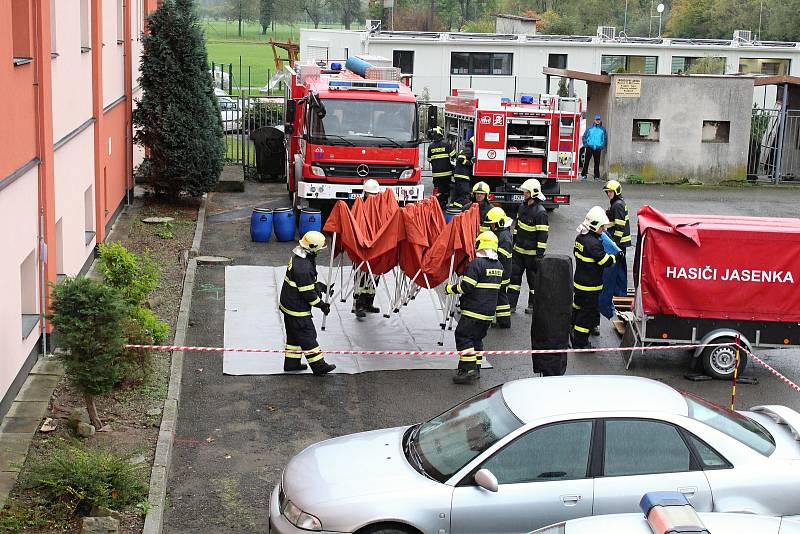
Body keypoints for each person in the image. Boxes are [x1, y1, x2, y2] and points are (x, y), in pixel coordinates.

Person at [446, 231, 503, 384]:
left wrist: (450, 288)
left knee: (463, 337)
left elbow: (467, 286)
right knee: (476, 340)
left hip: (473, 311)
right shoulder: (499, 266)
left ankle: (468, 370)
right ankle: (476, 368)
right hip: (487, 314)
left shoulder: (476, 264)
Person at [280, 231, 337, 375]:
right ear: (312, 248)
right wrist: (322, 305)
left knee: (294, 336)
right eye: (319, 248)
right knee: (307, 335)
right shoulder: (304, 267)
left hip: (289, 306)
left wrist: (321, 287)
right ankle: (319, 366)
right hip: (297, 309)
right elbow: (308, 294)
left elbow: (305, 284)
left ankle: (291, 363)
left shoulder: (300, 257)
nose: (320, 251)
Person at [572, 206, 622, 349]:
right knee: (587, 313)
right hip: (590, 286)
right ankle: (580, 342)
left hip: (579, 282)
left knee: (577, 307)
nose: (604, 230)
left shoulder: (580, 237)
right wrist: (616, 256)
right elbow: (605, 262)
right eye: (602, 227)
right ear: (593, 225)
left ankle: (572, 329)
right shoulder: (594, 244)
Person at [508, 179, 548, 315]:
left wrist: (539, 255)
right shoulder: (522, 207)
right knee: (514, 280)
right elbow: (517, 227)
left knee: (533, 282)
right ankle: (511, 305)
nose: (524, 194)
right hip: (518, 252)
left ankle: (532, 305)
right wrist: (513, 244)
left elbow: (542, 236)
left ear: (533, 193)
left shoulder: (541, 212)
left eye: (526, 192)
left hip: (532, 255)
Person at [603, 179, 631, 335]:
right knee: (619, 268)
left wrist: (615, 244)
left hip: (619, 243)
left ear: (616, 192)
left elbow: (619, 226)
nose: (608, 194)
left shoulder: (618, 205)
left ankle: (620, 294)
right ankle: (620, 293)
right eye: (607, 192)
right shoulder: (617, 203)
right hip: (619, 243)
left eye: (610, 192)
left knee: (618, 270)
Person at [354, 179, 381, 318]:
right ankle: (358, 305)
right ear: (365, 193)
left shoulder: (380, 206)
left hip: (376, 247)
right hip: (362, 247)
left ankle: (368, 303)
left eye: (375, 194)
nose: (373, 197)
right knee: (361, 277)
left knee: (374, 276)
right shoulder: (359, 206)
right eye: (371, 194)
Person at [484, 207, 513, 328]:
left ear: (499, 223)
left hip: (503, 272)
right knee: (501, 297)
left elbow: (502, 255)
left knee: (501, 297)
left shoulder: (504, 236)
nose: (491, 226)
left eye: (492, 224)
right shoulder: (502, 233)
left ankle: (505, 322)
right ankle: (503, 321)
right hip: (503, 271)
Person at [426, 127, 456, 210]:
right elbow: (453, 155)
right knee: (446, 190)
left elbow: (429, 159)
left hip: (436, 174)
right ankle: (444, 204)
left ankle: (437, 204)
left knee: (438, 190)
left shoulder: (431, 147)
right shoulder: (446, 144)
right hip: (447, 173)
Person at [449, 136, 474, 210]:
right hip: (463, 175)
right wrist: (470, 163)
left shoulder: (466, 148)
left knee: (457, 193)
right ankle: (458, 208)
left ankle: (452, 207)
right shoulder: (468, 150)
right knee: (465, 194)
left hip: (459, 175)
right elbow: (460, 158)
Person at [581, 114, 607, 182]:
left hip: (597, 148)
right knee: (586, 162)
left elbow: (604, 139)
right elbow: (584, 137)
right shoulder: (589, 128)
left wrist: (601, 146)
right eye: (596, 120)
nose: (598, 121)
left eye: (599, 120)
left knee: (597, 162)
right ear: (594, 120)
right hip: (590, 147)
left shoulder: (602, 129)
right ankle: (584, 175)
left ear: (600, 120)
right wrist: (586, 145)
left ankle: (596, 177)